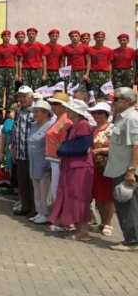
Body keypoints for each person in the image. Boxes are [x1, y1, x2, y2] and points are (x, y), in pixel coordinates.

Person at [49, 99, 94, 240]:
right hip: (71, 166)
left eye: (69, 109)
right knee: (71, 196)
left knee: (79, 197)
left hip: (80, 167)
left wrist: (63, 150)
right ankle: (77, 228)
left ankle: (83, 231)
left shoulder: (83, 125)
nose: (67, 111)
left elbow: (83, 147)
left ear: (76, 112)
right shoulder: (74, 125)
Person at [104, 87, 138, 251]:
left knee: (129, 206)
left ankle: (133, 241)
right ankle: (130, 238)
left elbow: (136, 146)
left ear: (127, 101)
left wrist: (131, 170)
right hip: (118, 168)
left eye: (116, 99)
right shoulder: (120, 117)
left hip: (126, 170)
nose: (112, 101)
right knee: (123, 206)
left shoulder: (132, 118)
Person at [89, 102, 115, 236]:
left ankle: (108, 223)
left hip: (107, 165)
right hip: (93, 166)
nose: (97, 116)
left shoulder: (112, 129)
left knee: (108, 196)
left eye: (100, 113)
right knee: (98, 196)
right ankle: (102, 223)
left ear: (106, 115)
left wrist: (100, 149)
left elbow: (117, 148)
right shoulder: (93, 129)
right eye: (95, 113)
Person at [28, 99, 55, 224]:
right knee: (37, 187)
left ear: (45, 113)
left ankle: (46, 213)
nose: (34, 114)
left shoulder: (51, 126)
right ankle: (40, 211)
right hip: (34, 161)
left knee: (44, 189)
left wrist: (49, 164)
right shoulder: (34, 126)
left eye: (37, 111)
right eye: (34, 111)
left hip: (44, 162)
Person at [11, 86, 36, 217]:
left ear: (31, 97)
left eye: (24, 96)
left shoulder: (37, 110)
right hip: (20, 152)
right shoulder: (19, 111)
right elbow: (14, 131)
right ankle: (25, 206)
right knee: (22, 181)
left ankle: (35, 208)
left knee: (33, 183)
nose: (21, 99)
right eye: (19, 96)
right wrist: (13, 147)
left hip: (32, 153)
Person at [45, 92, 73, 211]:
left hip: (59, 159)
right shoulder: (58, 119)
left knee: (57, 189)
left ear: (64, 106)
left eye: (55, 104)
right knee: (54, 188)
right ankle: (58, 216)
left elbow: (65, 142)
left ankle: (61, 218)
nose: (52, 106)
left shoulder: (66, 121)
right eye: (51, 103)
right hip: (53, 158)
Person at [0, 30, 17, 119]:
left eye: (8, 36)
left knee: (10, 92)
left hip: (10, 69)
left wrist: (16, 73)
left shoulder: (14, 48)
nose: (6, 38)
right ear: (2, 37)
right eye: (5, 36)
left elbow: (16, 61)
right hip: (0, 69)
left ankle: (8, 112)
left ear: (10, 37)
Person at [85, 31, 113, 97]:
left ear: (104, 38)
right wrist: (87, 74)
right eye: (98, 37)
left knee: (105, 94)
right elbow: (88, 62)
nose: (100, 39)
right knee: (92, 94)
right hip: (93, 73)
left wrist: (110, 77)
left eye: (102, 37)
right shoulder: (89, 49)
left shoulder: (109, 50)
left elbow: (110, 64)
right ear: (94, 38)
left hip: (105, 74)